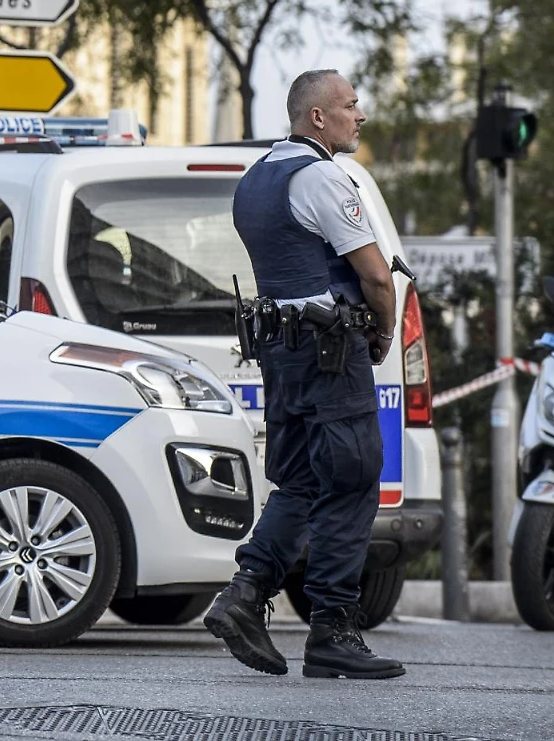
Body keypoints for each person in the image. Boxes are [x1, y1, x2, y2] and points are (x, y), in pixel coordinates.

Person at [204, 69, 405, 680]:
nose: (360, 115)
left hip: (283, 354)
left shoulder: (257, 179)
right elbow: (374, 275)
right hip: (330, 351)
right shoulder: (322, 177)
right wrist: (383, 331)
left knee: (300, 482)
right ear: (317, 117)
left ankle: (243, 595)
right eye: (350, 104)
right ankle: (334, 631)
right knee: (350, 476)